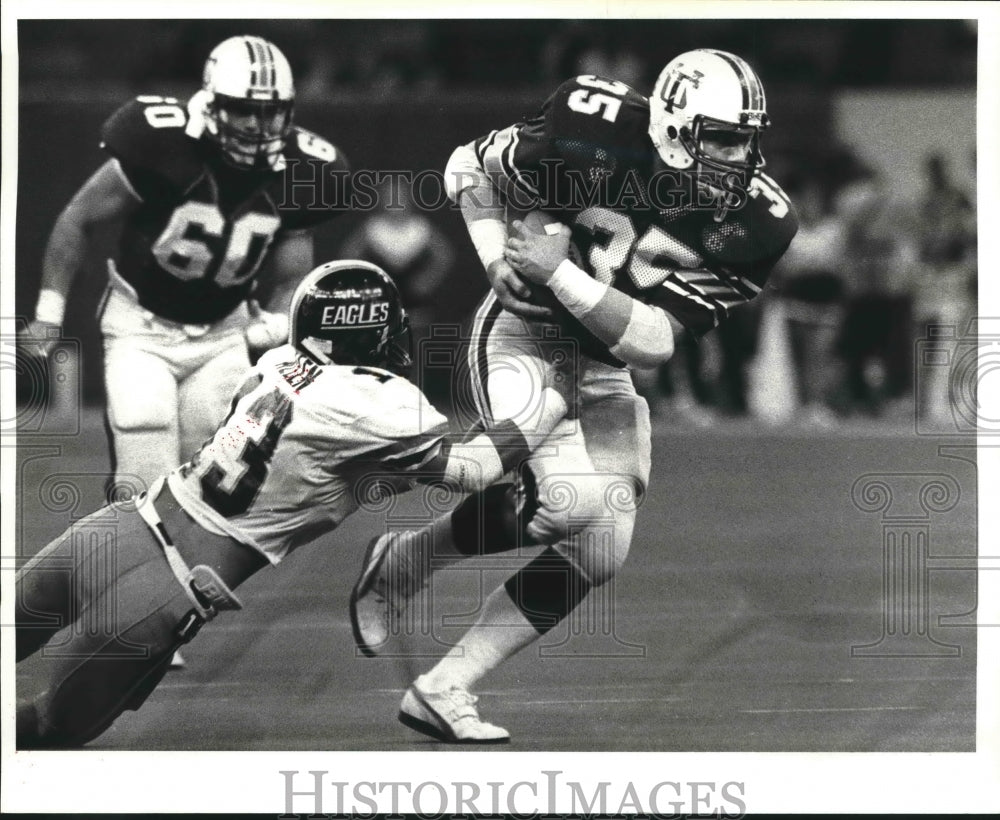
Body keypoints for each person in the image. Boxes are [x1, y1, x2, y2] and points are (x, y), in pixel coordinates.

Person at [350, 49, 799, 743]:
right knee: (569, 504)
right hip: (522, 336)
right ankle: (410, 559)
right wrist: (496, 254)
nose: (742, 157)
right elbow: (468, 166)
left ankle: (444, 685)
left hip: (605, 358)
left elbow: (653, 341)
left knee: (603, 545)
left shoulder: (761, 222)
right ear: (676, 127)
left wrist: (559, 274)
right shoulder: (595, 127)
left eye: (747, 138)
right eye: (724, 138)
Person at [15, 260, 568, 749]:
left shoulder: (279, 359)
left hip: (117, 528)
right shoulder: (378, 402)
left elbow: (283, 341)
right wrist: (554, 398)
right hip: (168, 587)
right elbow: (472, 470)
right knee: (42, 727)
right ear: (369, 337)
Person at [20, 34, 349, 498]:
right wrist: (49, 315)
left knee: (207, 477)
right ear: (213, 104)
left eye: (270, 111)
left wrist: (274, 325)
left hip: (223, 333)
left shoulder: (305, 170)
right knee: (144, 465)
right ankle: (126, 566)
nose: (257, 126)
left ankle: (181, 570)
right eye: (243, 110)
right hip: (141, 325)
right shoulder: (161, 141)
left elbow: (294, 270)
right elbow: (77, 220)